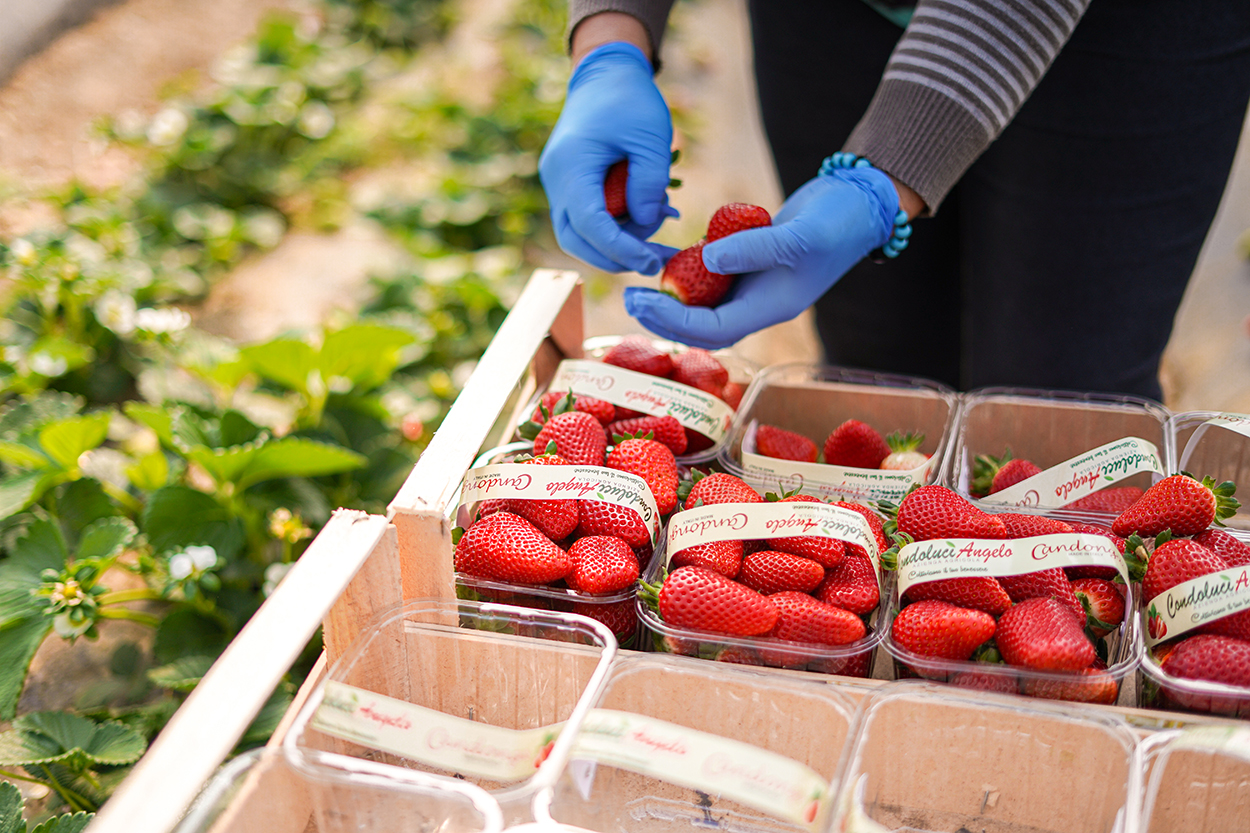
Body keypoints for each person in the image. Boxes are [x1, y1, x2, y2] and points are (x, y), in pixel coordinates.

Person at [538, 1, 1250, 402]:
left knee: (1059, 402)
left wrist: (883, 177)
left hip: (1135, 28)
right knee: (879, 375)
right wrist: (611, 38)